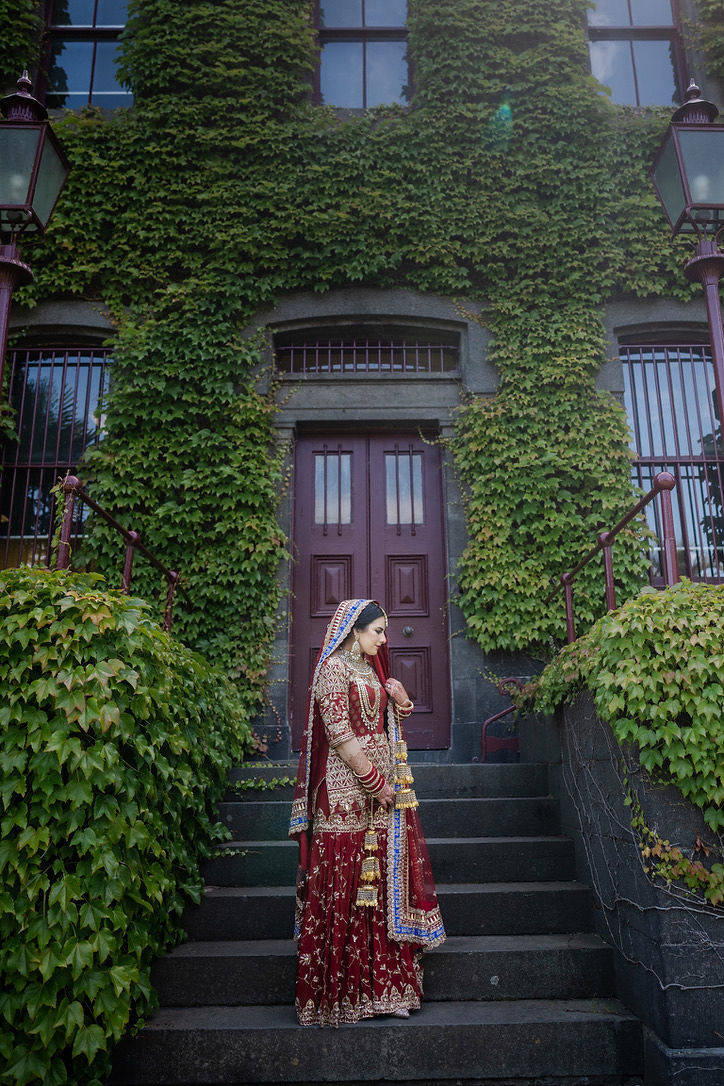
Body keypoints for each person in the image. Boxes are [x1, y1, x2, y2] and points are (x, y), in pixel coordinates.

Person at [289, 598, 445, 1027]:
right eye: (377, 630)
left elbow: (382, 722)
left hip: (381, 791)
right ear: (353, 631)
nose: (383, 638)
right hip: (344, 792)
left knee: (378, 885)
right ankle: (339, 997)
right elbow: (339, 733)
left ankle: (385, 990)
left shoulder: (368, 670)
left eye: (384, 631)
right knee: (348, 881)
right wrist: (375, 782)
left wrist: (401, 698)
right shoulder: (332, 669)